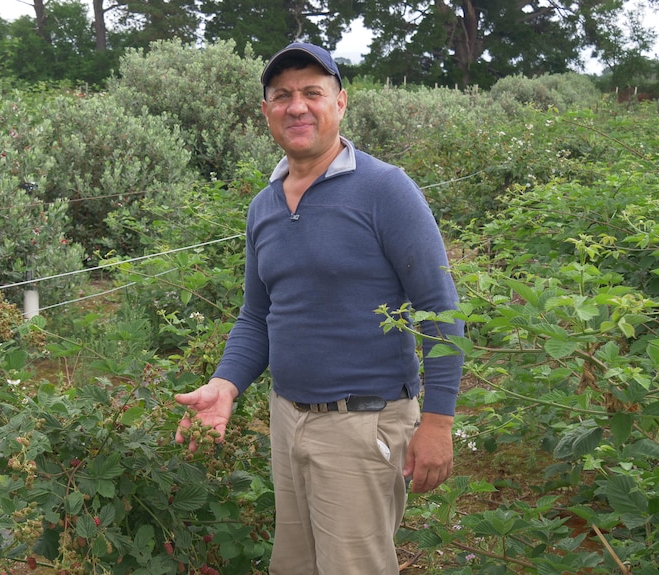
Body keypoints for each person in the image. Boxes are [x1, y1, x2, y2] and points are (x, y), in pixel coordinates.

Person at [175, 42, 464, 575]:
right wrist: (226, 384)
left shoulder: (385, 189)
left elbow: (440, 308)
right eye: (282, 96)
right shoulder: (264, 206)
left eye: (313, 92)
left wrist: (439, 421)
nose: (297, 106)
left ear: (341, 103)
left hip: (364, 422)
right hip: (288, 419)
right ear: (266, 112)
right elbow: (257, 316)